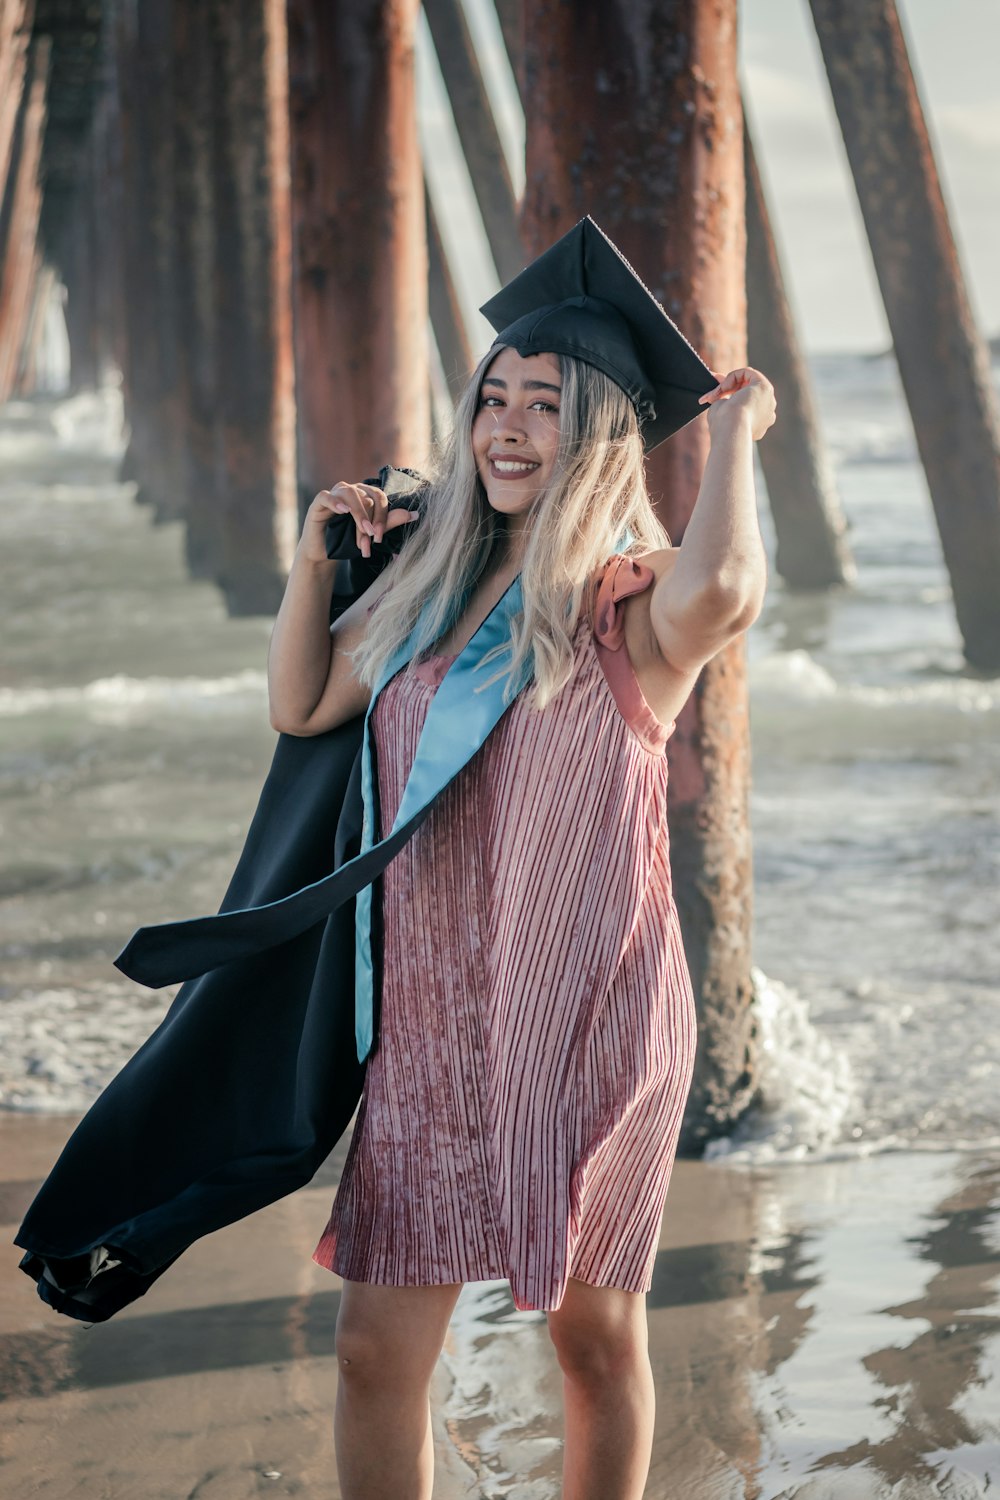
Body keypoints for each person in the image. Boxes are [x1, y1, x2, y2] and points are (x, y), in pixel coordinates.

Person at [266, 217, 776, 1500]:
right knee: (375, 1352)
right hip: (432, 1017)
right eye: (492, 399)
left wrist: (735, 444)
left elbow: (725, 588)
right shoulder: (429, 587)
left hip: (588, 1014)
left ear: (600, 429)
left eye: (542, 407)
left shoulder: (627, 607)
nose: (504, 426)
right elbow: (306, 705)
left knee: (591, 1341)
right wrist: (314, 557)